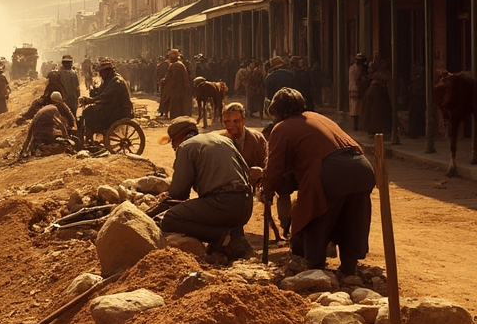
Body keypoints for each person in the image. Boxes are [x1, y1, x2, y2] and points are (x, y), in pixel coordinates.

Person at [262, 87, 376, 275]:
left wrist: (263, 181)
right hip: (362, 167)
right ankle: (349, 269)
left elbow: (273, 175)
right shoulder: (318, 117)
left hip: (331, 171)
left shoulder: (282, 128)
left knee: (315, 218)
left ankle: (315, 270)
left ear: (277, 111)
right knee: (353, 219)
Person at [157, 118, 255, 258]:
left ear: (180, 136)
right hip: (245, 206)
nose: (173, 145)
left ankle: (223, 237)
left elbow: (180, 192)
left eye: (173, 140)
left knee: (170, 219)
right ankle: (233, 235)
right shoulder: (224, 139)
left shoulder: (186, 147)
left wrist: (167, 195)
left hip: (223, 204)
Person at [79, 58, 132, 139]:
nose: (100, 75)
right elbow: (101, 92)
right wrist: (93, 92)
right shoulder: (108, 80)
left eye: (102, 72)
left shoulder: (117, 81)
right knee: (90, 111)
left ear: (108, 71)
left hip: (119, 110)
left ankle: (92, 132)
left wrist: (91, 100)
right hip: (112, 107)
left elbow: (106, 96)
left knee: (89, 112)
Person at [16, 90, 73, 157]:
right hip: (40, 131)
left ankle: (25, 151)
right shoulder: (53, 109)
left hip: (35, 128)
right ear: (57, 102)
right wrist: (65, 135)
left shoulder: (47, 106)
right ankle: (42, 149)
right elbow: (59, 123)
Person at [362, 56, 392, 138]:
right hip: (374, 99)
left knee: (378, 116)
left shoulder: (380, 77)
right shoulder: (373, 78)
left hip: (378, 99)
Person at [159, 49, 191, 119]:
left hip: (174, 89)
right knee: (179, 104)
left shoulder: (175, 65)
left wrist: (165, 82)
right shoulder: (180, 64)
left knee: (174, 104)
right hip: (179, 89)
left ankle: (173, 117)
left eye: (170, 56)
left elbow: (172, 77)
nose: (169, 57)